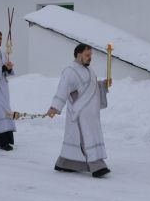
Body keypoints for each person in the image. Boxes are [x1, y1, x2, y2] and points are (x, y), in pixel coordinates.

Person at [46, 42, 111, 178]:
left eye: (91, 55)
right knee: (87, 139)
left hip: (91, 114)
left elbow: (90, 87)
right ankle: (97, 166)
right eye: (87, 55)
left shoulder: (89, 70)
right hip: (79, 113)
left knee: (77, 139)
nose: (90, 58)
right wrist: (54, 107)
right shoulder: (70, 71)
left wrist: (102, 85)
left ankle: (66, 163)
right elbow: (62, 90)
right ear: (79, 54)